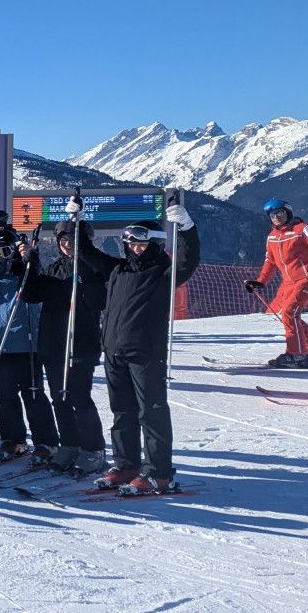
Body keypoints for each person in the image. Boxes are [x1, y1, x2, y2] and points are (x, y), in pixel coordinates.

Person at [69, 195, 200, 494]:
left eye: (141, 244)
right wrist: (75, 220)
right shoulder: (118, 270)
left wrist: (187, 228)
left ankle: (158, 473)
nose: (134, 248)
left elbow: (188, 260)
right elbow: (85, 252)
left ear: (154, 244)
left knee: (151, 412)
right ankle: (126, 464)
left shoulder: (163, 272)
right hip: (114, 351)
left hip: (146, 353)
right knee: (122, 412)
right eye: (130, 243)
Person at [0, 226, 59, 461]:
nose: (1, 257)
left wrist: (29, 259)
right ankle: (13, 439)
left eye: (6, 250)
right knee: (5, 395)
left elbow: (38, 281)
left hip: (25, 344)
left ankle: (46, 441)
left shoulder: (25, 271)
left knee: (33, 394)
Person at [35, 218, 108, 475]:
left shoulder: (93, 268)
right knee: (59, 398)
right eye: (63, 241)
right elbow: (32, 294)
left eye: (73, 241)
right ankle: (69, 444)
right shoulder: (53, 269)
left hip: (81, 344)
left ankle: (94, 449)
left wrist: (86, 277)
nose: (67, 245)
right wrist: (29, 262)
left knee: (79, 397)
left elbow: (100, 301)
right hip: (53, 343)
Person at [245, 199, 308, 368]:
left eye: (280, 213)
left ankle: (296, 355)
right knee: (289, 316)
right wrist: (260, 281)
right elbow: (270, 261)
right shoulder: (273, 236)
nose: (276, 217)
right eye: (272, 215)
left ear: (288, 212)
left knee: (290, 313)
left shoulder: (302, 229)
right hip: (288, 282)